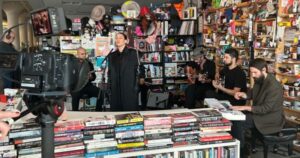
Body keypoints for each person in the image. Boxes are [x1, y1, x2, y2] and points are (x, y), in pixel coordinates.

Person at [231, 58, 285, 157]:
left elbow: (266, 109)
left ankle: (241, 151)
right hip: (259, 113)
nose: (253, 75)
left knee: (238, 122)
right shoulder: (259, 78)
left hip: (269, 118)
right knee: (233, 117)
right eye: (251, 72)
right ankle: (236, 147)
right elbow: (253, 93)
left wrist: (245, 107)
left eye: (255, 72)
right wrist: (244, 94)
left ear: (264, 70)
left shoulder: (274, 86)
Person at [108, 32, 141, 111]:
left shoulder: (133, 53)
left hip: (128, 86)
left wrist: (137, 83)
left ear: (126, 41)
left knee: (129, 110)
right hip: (116, 87)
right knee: (117, 111)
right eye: (116, 38)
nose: (118, 40)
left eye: (120, 38)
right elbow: (110, 72)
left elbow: (139, 68)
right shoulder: (112, 56)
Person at [71, 47, 102, 111]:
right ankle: (75, 112)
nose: (84, 55)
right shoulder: (72, 64)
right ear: (77, 54)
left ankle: (98, 111)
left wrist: (91, 77)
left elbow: (94, 77)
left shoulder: (89, 64)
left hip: (87, 86)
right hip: (77, 87)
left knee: (100, 92)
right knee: (75, 94)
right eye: (82, 54)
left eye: (85, 54)